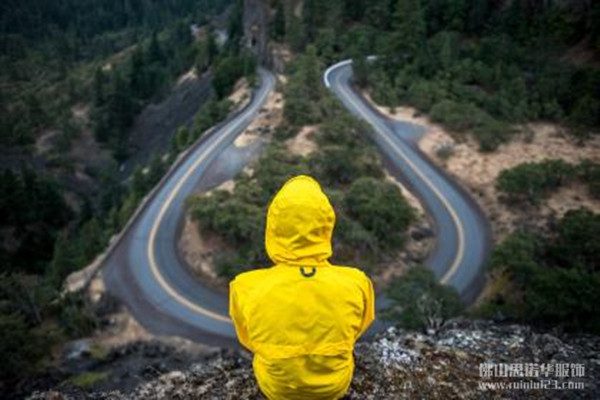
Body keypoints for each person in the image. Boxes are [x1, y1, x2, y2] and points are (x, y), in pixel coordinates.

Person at [229, 175, 375, 400]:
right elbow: (357, 331)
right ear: (326, 227)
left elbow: (249, 339)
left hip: (277, 389)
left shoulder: (244, 286)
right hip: (334, 388)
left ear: (273, 228)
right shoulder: (357, 282)